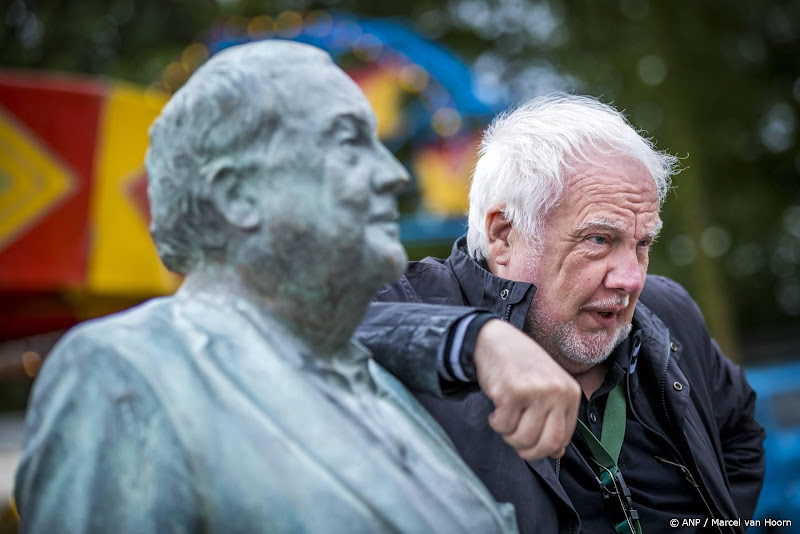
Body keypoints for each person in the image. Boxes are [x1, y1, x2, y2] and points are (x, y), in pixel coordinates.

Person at [13, 41, 519, 533]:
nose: (393, 175)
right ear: (236, 194)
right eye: (348, 142)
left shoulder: (376, 383)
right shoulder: (127, 371)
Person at [356, 94, 765, 533]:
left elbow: (740, 437)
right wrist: (475, 341)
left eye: (642, 244)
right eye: (598, 240)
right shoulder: (408, 298)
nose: (630, 279)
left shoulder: (670, 309)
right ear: (503, 234)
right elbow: (287, 327)